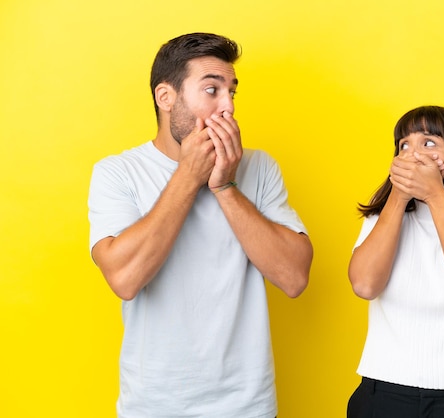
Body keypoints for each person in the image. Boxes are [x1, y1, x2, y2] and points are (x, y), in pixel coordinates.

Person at [88, 32, 313, 418]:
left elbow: (294, 277)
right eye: (212, 90)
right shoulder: (118, 173)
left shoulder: (258, 167)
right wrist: (188, 177)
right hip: (153, 406)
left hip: (248, 406)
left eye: (232, 92)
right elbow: (124, 280)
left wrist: (225, 186)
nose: (227, 107)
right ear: (166, 97)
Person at [347, 106, 444, 418]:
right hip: (381, 394)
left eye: (428, 143)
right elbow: (364, 284)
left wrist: (435, 195)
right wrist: (398, 195)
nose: (413, 154)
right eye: (403, 145)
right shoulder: (381, 217)